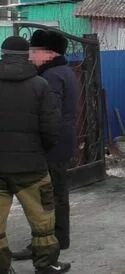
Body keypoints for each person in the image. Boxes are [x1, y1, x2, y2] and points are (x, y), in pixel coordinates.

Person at [0, 36, 71, 274]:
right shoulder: (40, 84)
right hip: (32, 168)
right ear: (25, 56)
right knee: (43, 221)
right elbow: (52, 128)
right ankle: (46, 265)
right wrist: (39, 151)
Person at [13, 31, 78, 261]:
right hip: (63, 143)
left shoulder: (50, 77)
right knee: (58, 193)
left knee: (47, 197)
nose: (31, 57)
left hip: (52, 146)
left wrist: (39, 142)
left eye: (34, 52)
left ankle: (46, 242)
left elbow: (51, 116)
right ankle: (61, 237)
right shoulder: (65, 72)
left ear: (49, 53)